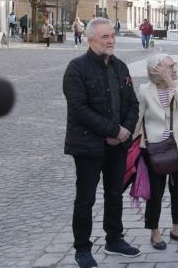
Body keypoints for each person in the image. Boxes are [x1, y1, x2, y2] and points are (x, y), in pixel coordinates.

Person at [62, 17, 141, 268]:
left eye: (112, 36)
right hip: (88, 146)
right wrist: (113, 129)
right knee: (86, 199)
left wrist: (125, 130)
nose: (111, 40)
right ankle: (82, 249)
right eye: (105, 36)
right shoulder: (76, 68)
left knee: (115, 193)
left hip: (117, 145)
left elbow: (132, 104)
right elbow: (79, 109)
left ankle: (114, 238)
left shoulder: (120, 67)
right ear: (90, 39)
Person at [133, 53, 178, 250]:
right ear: (155, 70)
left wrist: (171, 82)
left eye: (174, 65)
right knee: (155, 193)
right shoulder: (145, 90)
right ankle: (154, 232)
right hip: (153, 149)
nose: (175, 69)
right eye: (169, 66)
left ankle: (176, 228)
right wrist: (130, 141)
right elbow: (138, 117)